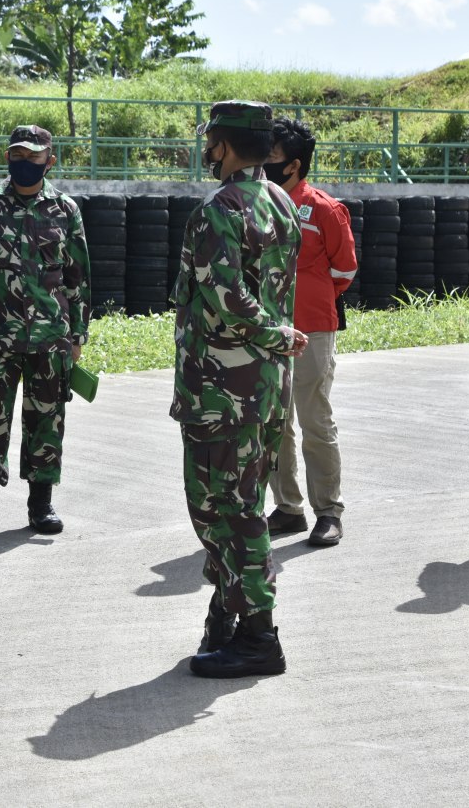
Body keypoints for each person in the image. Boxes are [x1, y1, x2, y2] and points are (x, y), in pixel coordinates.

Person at [172, 100, 305, 679]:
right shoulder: (280, 201)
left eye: (210, 142)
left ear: (222, 146)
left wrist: (274, 334)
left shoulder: (218, 210)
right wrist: (278, 341)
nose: (207, 151)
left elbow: (228, 302)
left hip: (223, 388)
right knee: (238, 504)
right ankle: (227, 617)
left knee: (225, 510)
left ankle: (258, 636)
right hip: (266, 385)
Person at [0, 125, 90, 537]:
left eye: (33, 157)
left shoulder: (66, 209)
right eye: (17, 156)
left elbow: (78, 276)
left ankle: (40, 506)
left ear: (50, 160)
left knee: (47, 419)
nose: (24, 163)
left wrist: (77, 334)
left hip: (50, 335)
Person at [261, 117, 358, 547]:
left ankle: (329, 511)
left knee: (315, 420)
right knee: (275, 423)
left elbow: (345, 270)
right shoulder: (259, 204)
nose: (265, 164)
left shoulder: (323, 209)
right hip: (269, 331)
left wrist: (310, 296)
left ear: (295, 164)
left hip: (314, 330)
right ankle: (288, 508)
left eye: (273, 157)